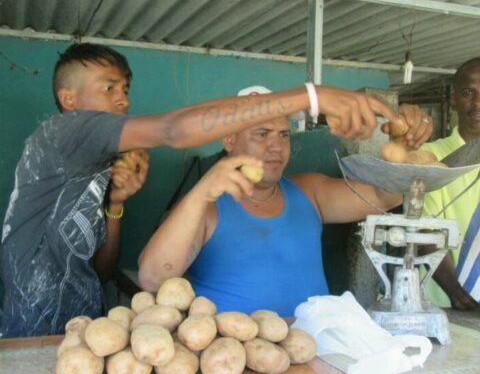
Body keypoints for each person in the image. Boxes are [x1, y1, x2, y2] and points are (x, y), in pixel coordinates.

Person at [0, 43, 406, 337]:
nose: (122, 100)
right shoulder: (63, 131)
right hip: (30, 325)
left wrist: (116, 206)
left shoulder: (98, 166)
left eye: (284, 134)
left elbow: (101, 270)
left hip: (81, 322)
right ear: (68, 99)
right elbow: (153, 275)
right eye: (109, 89)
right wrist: (313, 96)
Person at [138, 86, 432, 317]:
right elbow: (152, 278)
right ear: (229, 140)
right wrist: (201, 192)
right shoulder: (204, 206)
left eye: (283, 135)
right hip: (236, 356)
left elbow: (386, 195)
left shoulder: (309, 191)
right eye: (261, 133)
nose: (276, 146)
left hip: (315, 350)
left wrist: (403, 141)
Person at [421, 57, 480, 311]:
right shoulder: (430, 156)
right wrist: (457, 292)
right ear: (454, 99)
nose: (478, 103)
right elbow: (425, 232)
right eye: (469, 92)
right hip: (448, 304)